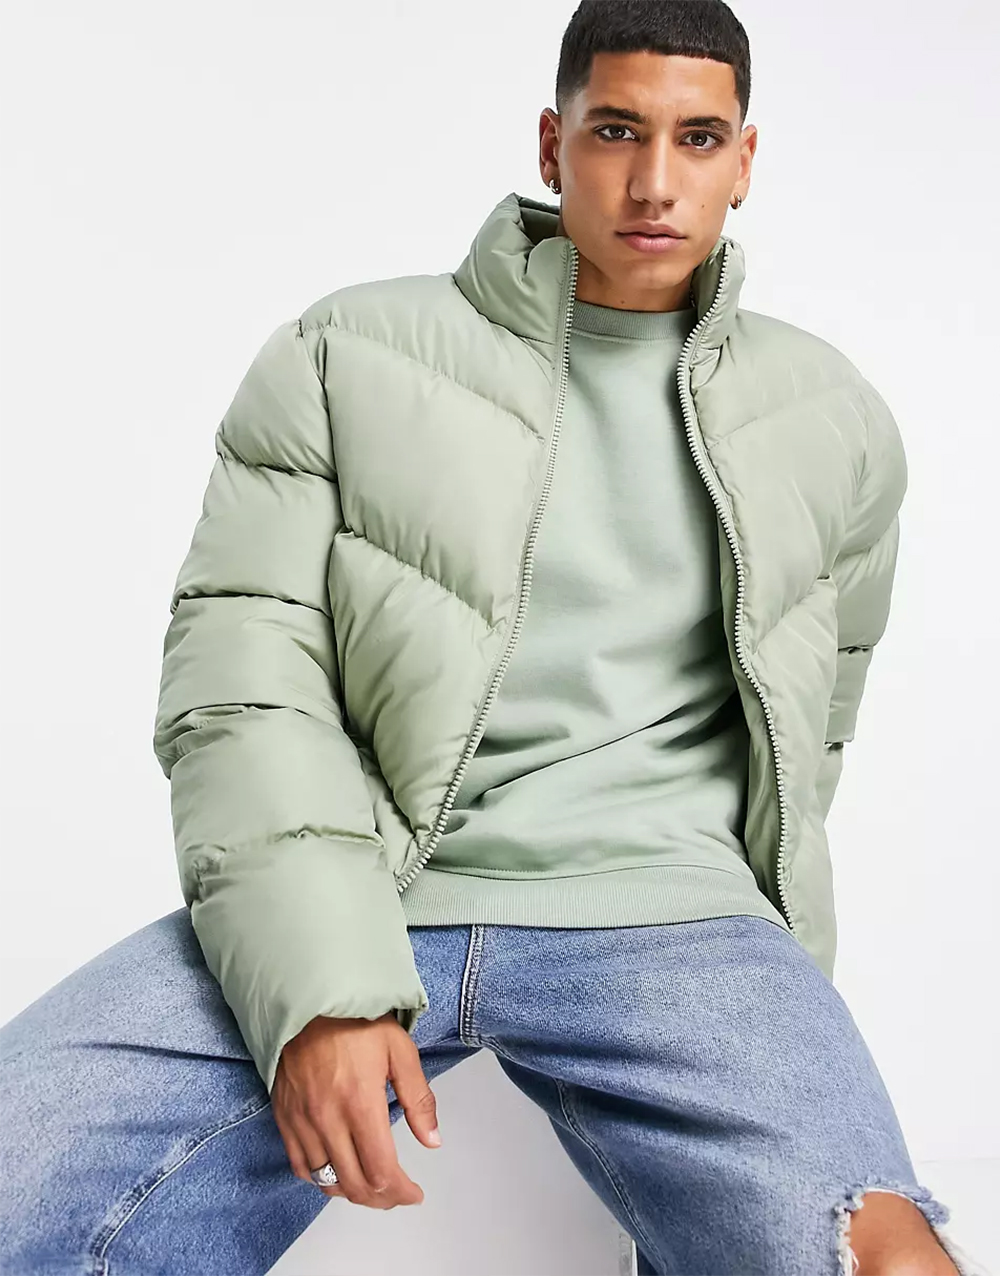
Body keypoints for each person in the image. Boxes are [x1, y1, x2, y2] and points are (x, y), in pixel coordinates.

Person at [0, 3, 990, 1274]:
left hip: (678, 919)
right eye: (615, 131)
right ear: (550, 143)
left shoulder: (831, 417)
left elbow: (817, 724)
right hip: (371, 880)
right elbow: (242, 687)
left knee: (882, 1255)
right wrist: (320, 985)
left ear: (744, 161)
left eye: (697, 139)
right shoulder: (346, 353)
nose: (653, 181)